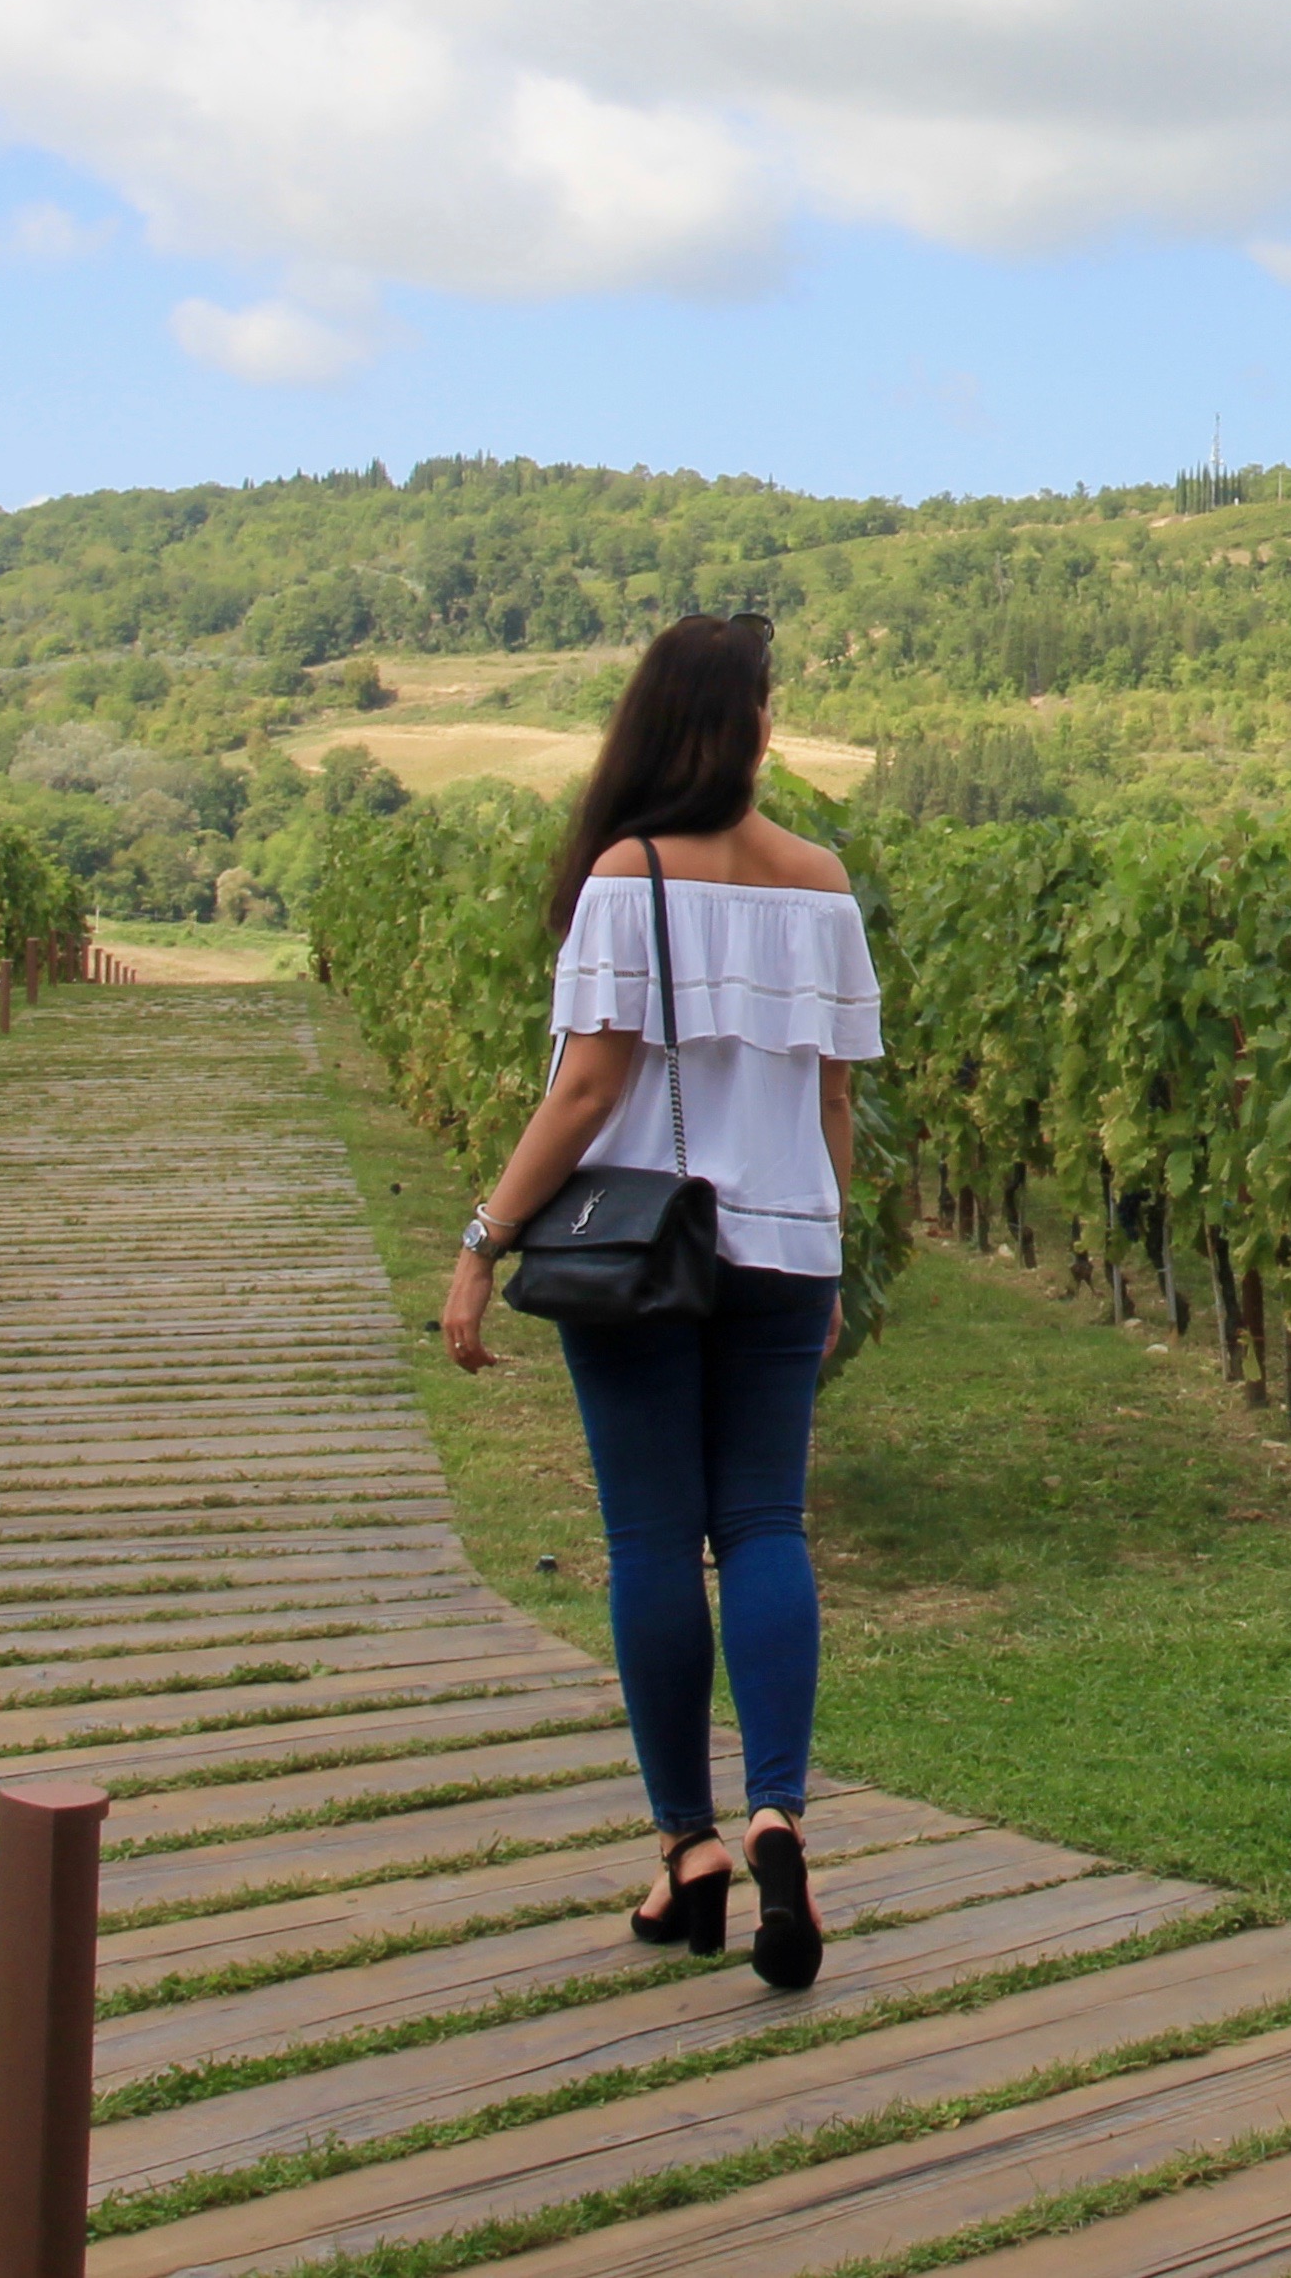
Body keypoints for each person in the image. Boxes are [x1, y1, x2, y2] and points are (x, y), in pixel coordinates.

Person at [441, 612, 875, 1989]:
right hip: (785, 1245)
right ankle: (779, 1809)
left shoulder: (627, 877)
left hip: (643, 1257)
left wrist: (481, 1235)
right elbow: (836, 1094)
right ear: (744, 727)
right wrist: (826, 1247)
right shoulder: (822, 881)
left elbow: (589, 1088)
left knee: (649, 1541)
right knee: (763, 1523)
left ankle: (687, 1843)